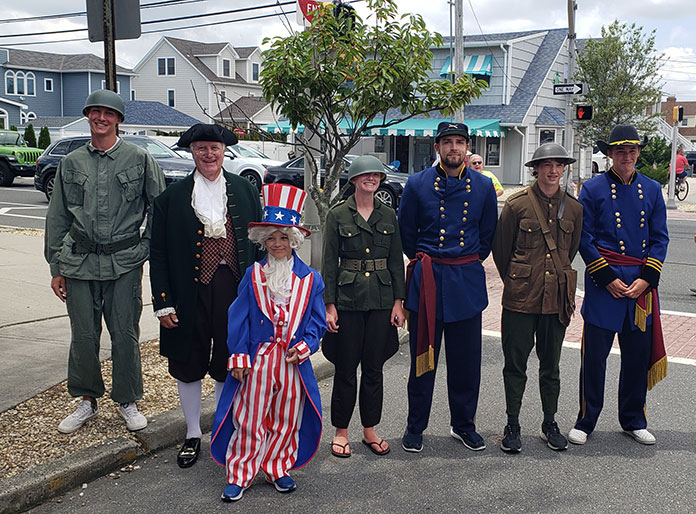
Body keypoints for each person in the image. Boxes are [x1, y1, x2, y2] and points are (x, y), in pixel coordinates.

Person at [44, 89, 165, 433]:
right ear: (87, 116)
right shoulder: (71, 162)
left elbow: (159, 207)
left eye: (108, 113)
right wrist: (56, 267)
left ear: (119, 120)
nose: (101, 118)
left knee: (125, 333)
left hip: (124, 262)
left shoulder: (139, 159)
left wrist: (146, 247)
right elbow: (57, 217)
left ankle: (127, 399)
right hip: (78, 262)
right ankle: (86, 400)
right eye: (95, 112)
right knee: (83, 334)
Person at [149, 123, 263, 468]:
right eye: (201, 148)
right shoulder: (170, 198)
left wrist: (262, 293)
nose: (209, 154)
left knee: (231, 359)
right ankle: (193, 433)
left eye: (214, 148)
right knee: (188, 359)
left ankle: (224, 430)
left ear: (224, 151)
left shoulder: (244, 190)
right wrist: (163, 300)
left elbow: (258, 245)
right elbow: (160, 253)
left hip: (234, 286)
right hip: (189, 289)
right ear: (192, 152)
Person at [210, 184, 327, 502]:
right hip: (259, 358)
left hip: (291, 360)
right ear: (263, 240)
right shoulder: (252, 274)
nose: (277, 244)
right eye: (271, 237)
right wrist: (237, 355)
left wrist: (306, 345)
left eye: (284, 237)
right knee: (250, 416)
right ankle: (241, 472)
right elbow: (238, 317)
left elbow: (317, 321)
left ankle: (277, 466)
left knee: (287, 416)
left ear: (295, 240)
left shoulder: (311, 280)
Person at [398, 122, 498, 453]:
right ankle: (416, 426)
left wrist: (465, 261)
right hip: (428, 282)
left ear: (467, 148)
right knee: (422, 359)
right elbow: (407, 233)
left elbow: (486, 237)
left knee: (466, 362)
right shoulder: (417, 184)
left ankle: (464, 425)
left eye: (459, 142)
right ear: (437, 147)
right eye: (447, 142)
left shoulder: (483, 187)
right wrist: (429, 262)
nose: (454, 148)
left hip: (465, 283)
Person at [569, 125, 669, 446]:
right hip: (604, 286)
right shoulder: (593, 188)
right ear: (609, 154)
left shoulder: (652, 189)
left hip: (640, 288)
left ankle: (633, 419)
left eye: (632, 151)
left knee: (636, 358)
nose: (626, 157)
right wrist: (606, 277)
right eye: (620, 151)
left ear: (638, 153)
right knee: (594, 359)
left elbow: (659, 238)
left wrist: (646, 279)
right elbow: (584, 239)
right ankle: (586, 420)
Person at [491, 143, 582, 453]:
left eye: (558, 165)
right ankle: (512, 424)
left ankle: (549, 422)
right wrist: (521, 280)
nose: (553, 170)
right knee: (515, 365)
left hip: (555, 299)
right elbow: (501, 252)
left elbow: (569, 252)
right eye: (547, 165)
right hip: (519, 299)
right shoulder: (516, 206)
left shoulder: (574, 208)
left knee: (551, 366)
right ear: (536, 169)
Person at [321, 155, 406, 458]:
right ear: (354, 179)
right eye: (365, 175)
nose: (370, 179)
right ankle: (341, 431)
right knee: (345, 369)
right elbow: (329, 262)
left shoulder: (388, 215)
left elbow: (396, 261)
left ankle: (370, 429)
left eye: (376, 175)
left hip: (382, 300)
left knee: (374, 368)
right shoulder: (338, 214)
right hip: (347, 300)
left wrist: (399, 302)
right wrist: (329, 305)